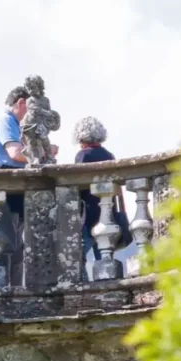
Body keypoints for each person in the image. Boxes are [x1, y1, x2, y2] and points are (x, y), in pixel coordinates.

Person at [0, 85, 57, 286]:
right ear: (21, 103)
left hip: (11, 187)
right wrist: (44, 151)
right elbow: (15, 153)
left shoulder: (10, 121)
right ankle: (3, 287)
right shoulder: (6, 120)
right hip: (3, 186)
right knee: (5, 240)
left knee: (15, 242)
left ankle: (12, 288)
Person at [72, 116, 132, 280]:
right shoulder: (109, 155)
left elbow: (76, 185)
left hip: (88, 215)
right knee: (105, 255)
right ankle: (107, 283)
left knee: (78, 257)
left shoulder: (82, 156)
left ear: (81, 138)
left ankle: (83, 284)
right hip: (107, 213)